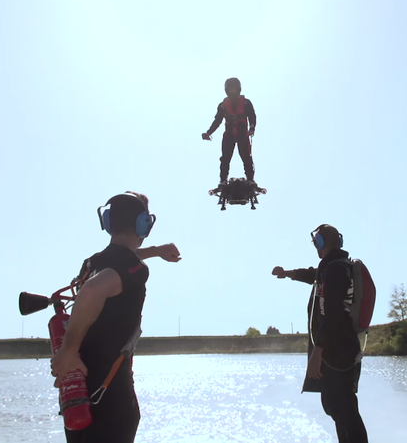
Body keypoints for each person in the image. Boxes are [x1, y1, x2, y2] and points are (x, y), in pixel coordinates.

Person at [51, 192, 182, 443]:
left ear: (108, 222)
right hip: (111, 397)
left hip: (79, 391)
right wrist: (68, 350)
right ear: (145, 224)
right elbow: (93, 290)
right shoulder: (133, 270)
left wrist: (155, 251)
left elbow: (117, 262)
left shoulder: (91, 264)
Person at [272, 224, 368, 443]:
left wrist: (318, 350)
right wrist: (289, 274)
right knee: (337, 405)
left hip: (337, 350)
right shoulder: (333, 267)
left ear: (320, 243)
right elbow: (313, 275)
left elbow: (333, 312)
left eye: (316, 242)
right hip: (339, 348)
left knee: (341, 406)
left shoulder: (335, 269)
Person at [201, 77, 257, 188]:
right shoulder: (222, 105)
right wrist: (208, 133)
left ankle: (250, 179)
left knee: (246, 156)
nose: (232, 91)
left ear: (238, 89)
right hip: (229, 134)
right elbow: (217, 121)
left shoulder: (246, 103)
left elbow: (252, 116)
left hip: (242, 133)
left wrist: (252, 128)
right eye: (230, 89)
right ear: (227, 90)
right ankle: (223, 180)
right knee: (225, 157)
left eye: (234, 89)